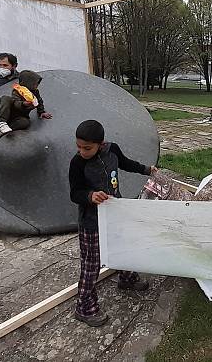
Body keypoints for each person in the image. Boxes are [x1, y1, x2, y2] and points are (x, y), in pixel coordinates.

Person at [68, 120, 157, 327]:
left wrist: (146, 169)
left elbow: (126, 163)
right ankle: (84, 307)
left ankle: (127, 279)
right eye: (78, 146)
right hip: (92, 223)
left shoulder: (113, 150)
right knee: (91, 264)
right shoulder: (77, 163)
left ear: (101, 143)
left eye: (87, 148)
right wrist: (90, 195)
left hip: (116, 214)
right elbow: (75, 193)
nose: (82, 151)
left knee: (123, 248)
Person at [0, 70, 53, 141]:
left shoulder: (35, 92)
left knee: (26, 122)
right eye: (35, 84)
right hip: (10, 113)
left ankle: (1, 131)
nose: (36, 86)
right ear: (28, 83)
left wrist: (41, 112)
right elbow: (16, 103)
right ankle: (2, 122)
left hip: (21, 116)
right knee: (5, 98)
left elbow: (39, 101)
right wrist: (24, 103)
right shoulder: (17, 91)